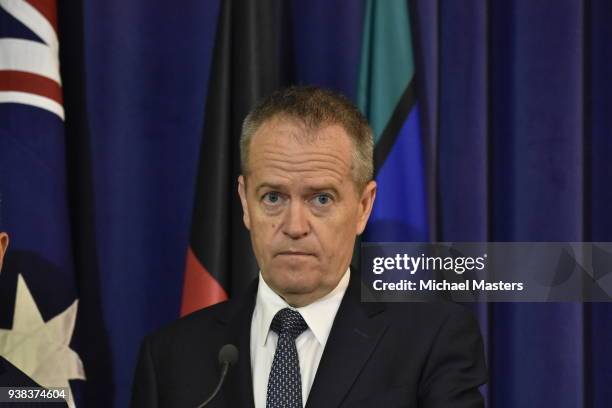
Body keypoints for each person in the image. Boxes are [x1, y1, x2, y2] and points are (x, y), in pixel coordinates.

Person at [131, 86, 487, 407]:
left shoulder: (431, 339)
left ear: (363, 207)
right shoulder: (170, 356)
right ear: (244, 202)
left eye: (321, 199)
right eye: (273, 197)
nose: (294, 226)